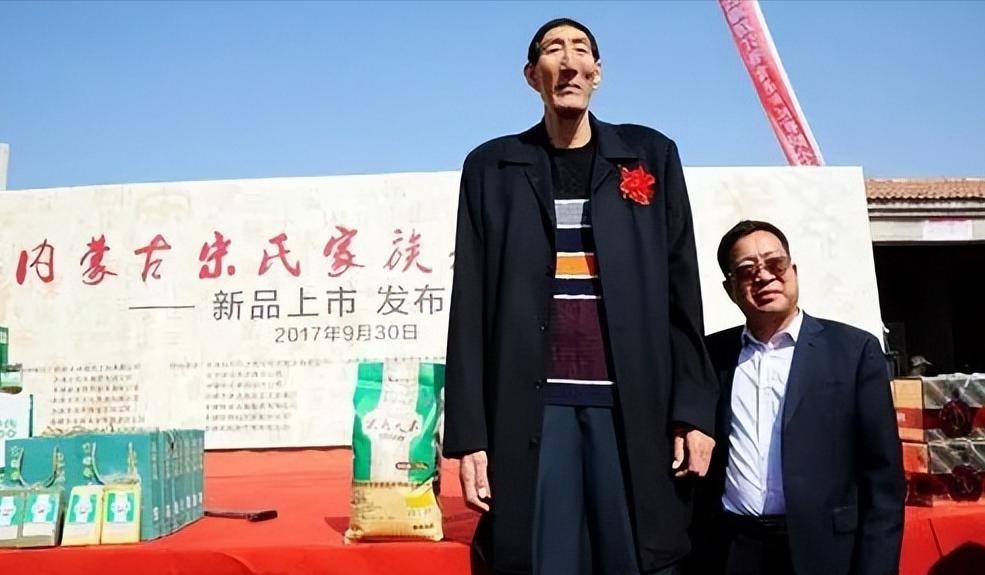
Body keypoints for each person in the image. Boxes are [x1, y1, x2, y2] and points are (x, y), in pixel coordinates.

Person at [443, 17, 718, 575]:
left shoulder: (649, 155)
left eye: (580, 50)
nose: (568, 62)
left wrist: (693, 409)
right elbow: (469, 308)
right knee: (542, 557)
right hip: (533, 410)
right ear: (531, 75)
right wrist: (469, 436)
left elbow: (681, 293)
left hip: (632, 406)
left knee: (634, 554)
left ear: (597, 72)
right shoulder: (492, 167)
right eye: (553, 50)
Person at [691, 220, 905, 575]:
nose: (764, 277)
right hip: (735, 550)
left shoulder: (852, 351)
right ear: (731, 289)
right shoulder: (712, 356)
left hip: (823, 551)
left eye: (775, 264)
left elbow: (883, 479)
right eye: (747, 270)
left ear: (793, 271)